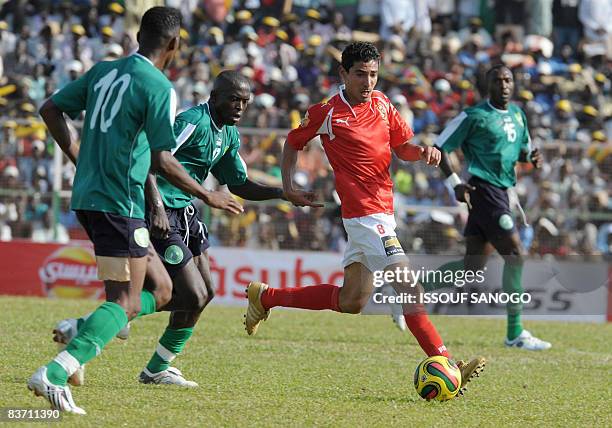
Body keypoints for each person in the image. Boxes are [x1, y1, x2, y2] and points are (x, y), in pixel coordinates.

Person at [31, 7, 241, 414]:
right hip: (121, 202)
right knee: (128, 301)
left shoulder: (103, 71)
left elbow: (50, 109)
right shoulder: (159, 86)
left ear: (139, 34)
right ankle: (55, 374)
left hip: (90, 196)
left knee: (162, 290)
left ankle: (79, 342)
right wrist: (208, 194)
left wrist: (78, 155)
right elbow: (163, 159)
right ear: (175, 45)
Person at [244, 42, 485, 395]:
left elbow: (403, 148)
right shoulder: (327, 112)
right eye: (360, 74)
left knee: (352, 301)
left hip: (382, 212)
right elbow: (293, 143)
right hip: (364, 216)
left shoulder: (384, 105)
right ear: (343, 74)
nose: (368, 81)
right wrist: (289, 187)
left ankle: (266, 298)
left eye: (373, 74)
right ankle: (447, 361)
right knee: (409, 287)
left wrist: (424, 153)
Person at [49, 70, 304, 387]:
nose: (239, 107)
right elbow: (152, 159)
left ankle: (157, 367)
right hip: (163, 213)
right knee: (190, 293)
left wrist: (282, 193)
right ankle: (90, 325)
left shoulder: (228, 134)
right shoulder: (192, 122)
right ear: (215, 96)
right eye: (233, 99)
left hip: (187, 214)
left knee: (205, 294)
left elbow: (239, 183)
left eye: (245, 101)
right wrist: (155, 204)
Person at [429, 64, 551, 351]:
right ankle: (515, 333)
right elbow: (439, 147)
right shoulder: (474, 116)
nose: (505, 85)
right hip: (483, 191)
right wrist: (455, 183)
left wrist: (532, 157)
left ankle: (409, 292)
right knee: (515, 255)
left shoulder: (519, 116)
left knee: (470, 268)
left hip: (502, 192)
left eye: (508, 80)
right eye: (498, 81)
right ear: (488, 85)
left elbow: (522, 151)